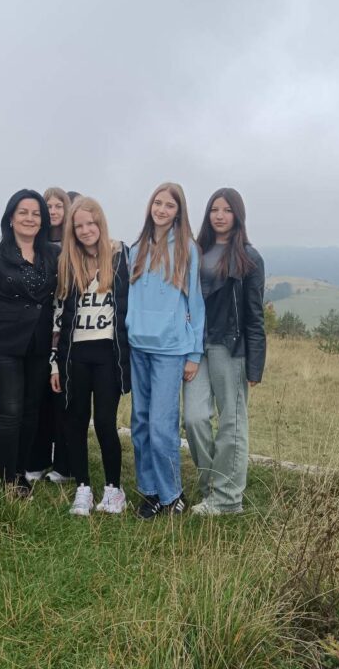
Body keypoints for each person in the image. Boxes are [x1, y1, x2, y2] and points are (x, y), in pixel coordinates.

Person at [0, 189, 58, 496]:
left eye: (36, 213)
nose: (29, 218)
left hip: (40, 345)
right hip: (3, 345)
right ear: (11, 218)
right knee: (10, 410)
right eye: (23, 212)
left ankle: (21, 473)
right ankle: (7, 479)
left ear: (43, 220)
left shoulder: (53, 254)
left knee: (31, 411)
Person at [182, 188, 265, 515]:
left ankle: (228, 499)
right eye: (214, 209)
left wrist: (255, 364)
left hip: (230, 346)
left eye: (227, 210)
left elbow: (255, 314)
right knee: (194, 419)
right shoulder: (196, 250)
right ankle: (211, 488)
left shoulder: (249, 257)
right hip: (196, 346)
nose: (219, 215)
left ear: (237, 215)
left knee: (232, 422)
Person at [126, 182, 204, 518]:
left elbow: (196, 303)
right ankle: (150, 492)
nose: (161, 209)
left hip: (170, 350)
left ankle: (172, 493)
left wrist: (194, 353)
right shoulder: (136, 248)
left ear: (178, 212)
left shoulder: (188, 249)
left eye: (169, 205)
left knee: (161, 427)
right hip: (137, 346)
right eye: (157, 203)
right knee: (141, 424)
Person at [51, 197, 131, 515]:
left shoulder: (120, 256)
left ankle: (114, 489)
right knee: (76, 421)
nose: (85, 230)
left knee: (105, 423)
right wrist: (54, 362)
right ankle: (82, 487)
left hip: (108, 353)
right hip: (76, 354)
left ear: (100, 223)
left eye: (91, 223)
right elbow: (58, 315)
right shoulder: (67, 262)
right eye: (79, 226)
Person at [27, 186, 73, 482]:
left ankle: (65, 464)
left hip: (67, 324)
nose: (53, 211)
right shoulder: (35, 242)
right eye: (49, 206)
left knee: (63, 396)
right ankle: (38, 458)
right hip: (39, 325)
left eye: (59, 206)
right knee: (39, 394)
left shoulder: (74, 242)